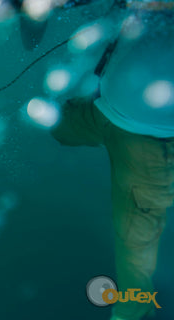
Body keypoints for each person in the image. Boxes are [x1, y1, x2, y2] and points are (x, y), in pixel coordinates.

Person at [51, 2, 174, 319]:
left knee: (135, 237)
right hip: (105, 105)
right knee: (58, 127)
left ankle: (133, 307)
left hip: (153, 142)